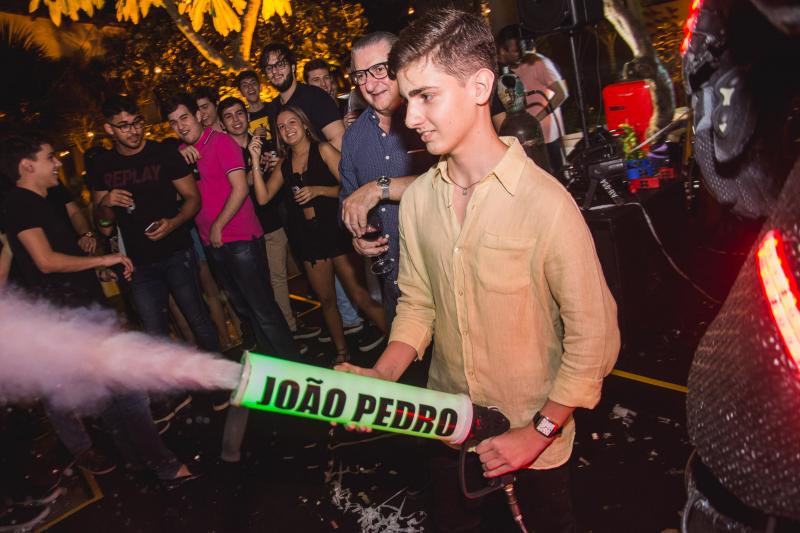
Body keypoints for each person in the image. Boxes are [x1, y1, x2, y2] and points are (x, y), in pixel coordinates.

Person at [336, 10, 620, 533]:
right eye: (408, 98)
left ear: (480, 86)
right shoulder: (419, 199)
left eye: (426, 96)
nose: (411, 117)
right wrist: (383, 374)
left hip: (534, 441)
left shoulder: (545, 204)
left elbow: (594, 340)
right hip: (449, 430)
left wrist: (537, 431)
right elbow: (418, 304)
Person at [0, 132, 197, 488]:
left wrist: (94, 269)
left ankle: (137, 461)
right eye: (50, 157)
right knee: (129, 391)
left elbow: (53, 259)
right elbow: (45, 262)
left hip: (79, 312)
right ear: (27, 166)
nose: (57, 163)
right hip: (72, 319)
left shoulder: (39, 201)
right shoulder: (21, 204)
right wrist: (104, 259)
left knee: (110, 397)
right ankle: (164, 465)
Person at [251, 106, 387, 364]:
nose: (287, 129)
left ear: (304, 124)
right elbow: (263, 197)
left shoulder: (323, 150)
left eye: (292, 122)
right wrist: (255, 161)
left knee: (359, 295)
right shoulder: (284, 164)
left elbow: (352, 188)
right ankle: (342, 352)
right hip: (308, 239)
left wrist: (319, 190)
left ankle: (394, 343)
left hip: (335, 233)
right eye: (281, 126)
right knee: (326, 300)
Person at [91, 95, 221, 354]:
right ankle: (177, 382)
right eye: (124, 125)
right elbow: (104, 226)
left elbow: (193, 198)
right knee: (155, 335)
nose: (133, 130)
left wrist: (173, 223)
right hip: (138, 264)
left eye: (136, 122)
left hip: (177, 253)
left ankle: (220, 372)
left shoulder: (163, 153)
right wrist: (105, 203)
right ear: (109, 129)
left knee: (199, 320)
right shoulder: (102, 166)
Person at [339, 31, 437, 326]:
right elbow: (347, 199)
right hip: (395, 289)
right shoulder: (354, 138)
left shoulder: (431, 116)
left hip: (445, 279)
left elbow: (455, 181)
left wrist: (379, 188)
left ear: (401, 63)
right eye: (360, 75)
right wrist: (356, 235)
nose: (370, 84)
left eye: (379, 69)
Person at [216, 96, 316, 348]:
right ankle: (277, 337)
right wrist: (254, 171)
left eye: (239, 113)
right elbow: (230, 188)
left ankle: (289, 331)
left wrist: (275, 165)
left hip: (272, 222)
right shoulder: (223, 151)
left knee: (278, 279)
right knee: (257, 288)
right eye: (228, 116)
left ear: (248, 116)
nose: (235, 120)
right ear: (222, 124)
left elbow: (283, 176)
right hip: (241, 231)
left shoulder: (265, 143)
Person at [492, 27, 569, 173]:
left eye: (521, 48)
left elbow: (561, 93)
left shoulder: (537, 62)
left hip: (546, 137)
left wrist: (535, 120)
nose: (520, 53)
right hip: (524, 139)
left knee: (555, 176)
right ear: (502, 50)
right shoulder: (503, 72)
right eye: (516, 50)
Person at [258, 42, 345, 151]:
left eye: (280, 64)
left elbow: (339, 140)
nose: (275, 71)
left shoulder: (315, 96)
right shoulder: (273, 108)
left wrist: (310, 161)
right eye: (269, 68)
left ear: (292, 67)